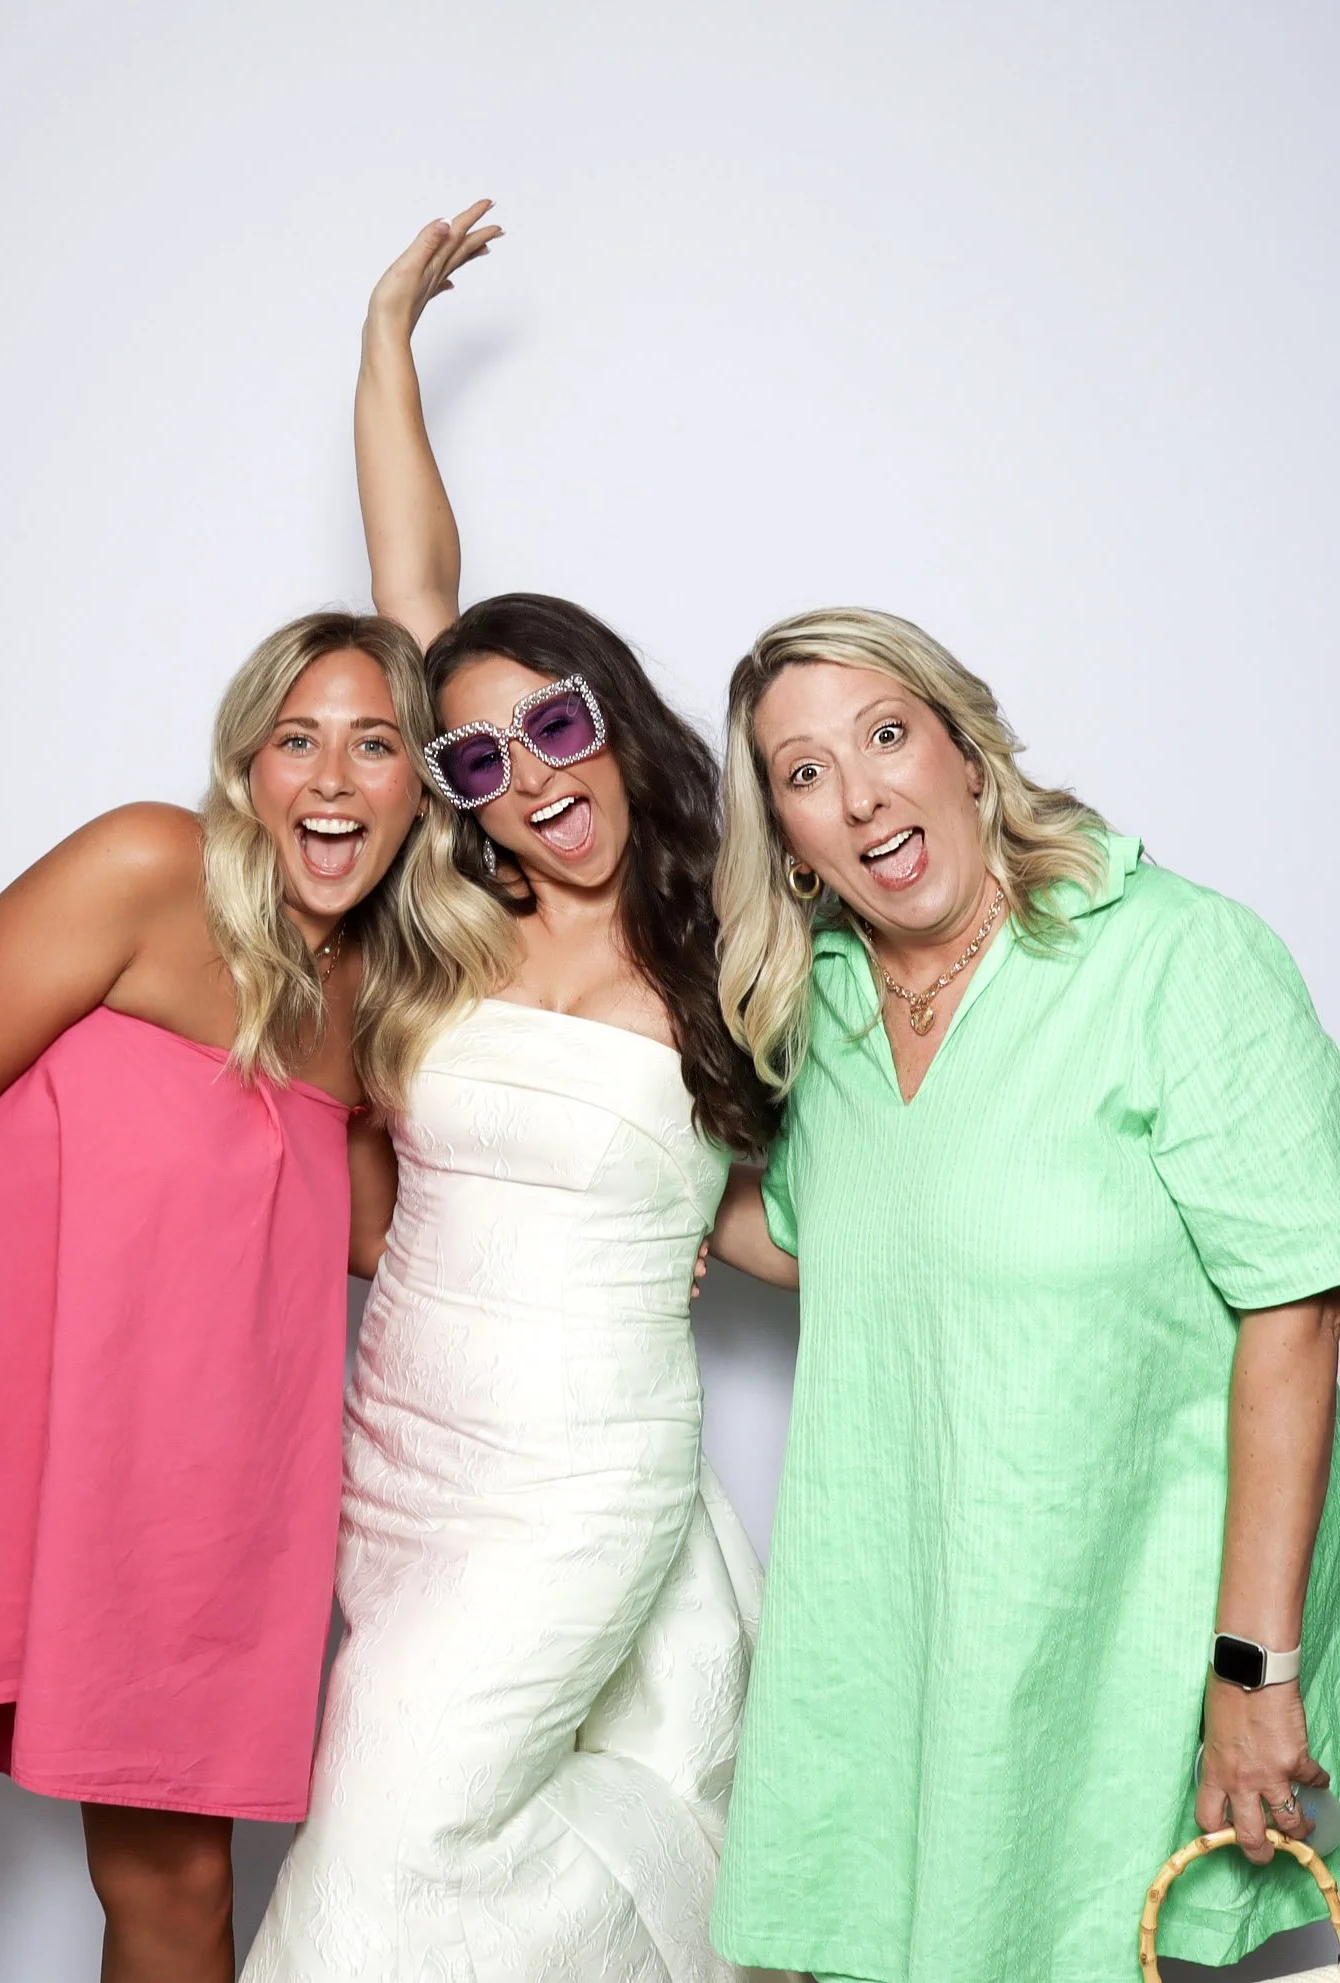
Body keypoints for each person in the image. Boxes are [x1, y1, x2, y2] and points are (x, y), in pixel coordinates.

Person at [244, 209, 784, 1983]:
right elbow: (418, 592)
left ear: (612, 717)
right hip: (400, 1455)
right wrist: (388, 331)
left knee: (383, 1854)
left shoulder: (739, 947)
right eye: (479, 757)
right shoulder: (456, 925)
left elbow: (776, 1202)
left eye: (557, 726)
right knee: (409, 1829)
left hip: (578, 1475)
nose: (531, 775)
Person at [704, 606, 1340, 1982]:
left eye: (886, 735)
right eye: (805, 772)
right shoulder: (827, 1011)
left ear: (968, 749)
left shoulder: (1176, 956)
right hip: (886, 1662)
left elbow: (1299, 1313)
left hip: (1108, 1660)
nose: (861, 791)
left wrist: (1256, 1669)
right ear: (788, 837)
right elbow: (829, 1239)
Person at [0, 611, 432, 1983]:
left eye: (376, 743)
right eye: (299, 741)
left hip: (175, 1502)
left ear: (424, 785)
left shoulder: (369, 994)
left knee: (179, 1907)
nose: (334, 779)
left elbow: (379, 1236)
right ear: (248, 767)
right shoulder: (146, 866)